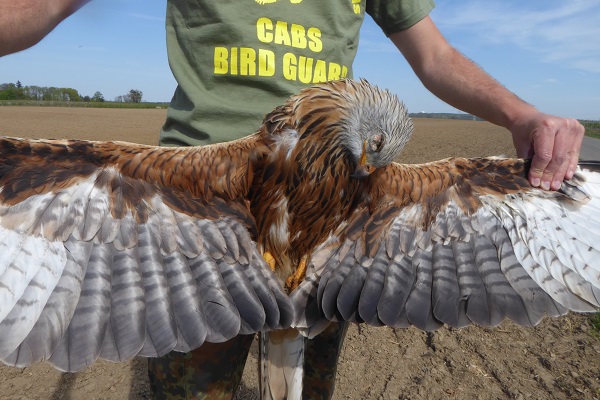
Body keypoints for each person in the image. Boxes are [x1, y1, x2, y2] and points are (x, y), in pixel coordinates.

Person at [0, 0, 586, 399]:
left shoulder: (372, 163)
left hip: (334, 226)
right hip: (191, 211)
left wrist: (522, 113)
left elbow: (436, 57)